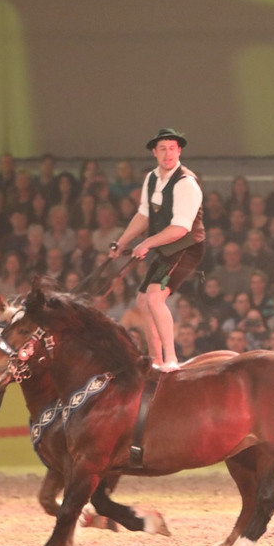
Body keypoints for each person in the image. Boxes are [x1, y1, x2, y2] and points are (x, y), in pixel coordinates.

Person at [110, 128, 205, 372]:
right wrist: (122, 242)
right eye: (162, 148)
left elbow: (181, 229)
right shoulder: (152, 178)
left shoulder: (186, 183)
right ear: (154, 152)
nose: (168, 153)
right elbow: (144, 214)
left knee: (154, 296)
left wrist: (146, 243)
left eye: (172, 148)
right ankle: (156, 360)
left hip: (186, 247)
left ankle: (171, 360)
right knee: (143, 301)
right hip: (165, 248)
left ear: (179, 150)